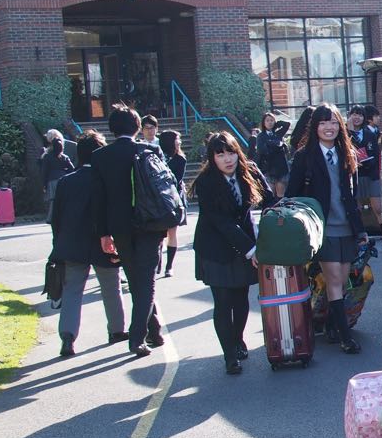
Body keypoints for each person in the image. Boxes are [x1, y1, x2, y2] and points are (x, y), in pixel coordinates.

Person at [286, 103, 368, 354]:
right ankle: (345, 337)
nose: (328, 127)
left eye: (333, 122)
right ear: (315, 127)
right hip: (323, 228)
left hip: (347, 227)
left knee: (342, 282)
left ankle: (332, 325)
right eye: (323, 122)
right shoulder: (304, 156)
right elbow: (292, 194)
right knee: (333, 280)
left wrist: (361, 230)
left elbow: (353, 195)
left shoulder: (348, 154)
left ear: (340, 125)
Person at [190, 132, 271, 375]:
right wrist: (251, 249)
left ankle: (238, 339)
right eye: (220, 154)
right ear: (212, 158)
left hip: (243, 244)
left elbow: (270, 200)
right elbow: (221, 222)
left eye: (231, 152)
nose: (227, 159)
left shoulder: (250, 171)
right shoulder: (206, 182)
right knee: (223, 302)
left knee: (241, 297)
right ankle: (229, 356)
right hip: (215, 248)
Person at [89, 104, 167, 358]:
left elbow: (98, 199)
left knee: (136, 280)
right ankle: (138, 337)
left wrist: (103, 233)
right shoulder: (149, 150)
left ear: (111, 128)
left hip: (120, 227)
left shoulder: (100, 157)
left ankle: (154, 332)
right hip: (150, 223)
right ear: (137, 127)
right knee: (146, 282)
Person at [49, 131, 127, 356]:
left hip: (73, 243)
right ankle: (117, 330)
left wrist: (58, 244)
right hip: (104, 242)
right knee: (111, 288)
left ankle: (68, 337)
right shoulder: (106, 180)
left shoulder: (66, 181)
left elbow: (57, 218)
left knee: (72, 291)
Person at [347, 105, 382, 251]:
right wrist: (349, 131)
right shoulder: (345, 133)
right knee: (356, 208)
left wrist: (370, 162)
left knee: (378, 207)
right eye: (354, 114)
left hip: (371, 174)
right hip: (355, 174)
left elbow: (375, 153)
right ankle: (360, 239)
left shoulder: (369, 134)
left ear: (364, 117)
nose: (357, 117)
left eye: (360, 115)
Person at [159, 129, 186, 277]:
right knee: (158, 235)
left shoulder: (180, 159)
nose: (179, 142)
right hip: (158, 200)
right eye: (177, 139)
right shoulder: (157, 156)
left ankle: (169, 266)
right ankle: (158, 263)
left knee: (172, 232)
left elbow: (176, 180)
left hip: (173, 199)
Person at [254, 111, 291, 199]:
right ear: (263, 123)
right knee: (270, 194)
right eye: (267, 120)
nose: (270, 122)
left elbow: (287, 124)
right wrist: (272, 144)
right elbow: (261, 150)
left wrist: (277, 124)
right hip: (269, 168)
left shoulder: (277, 134)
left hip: (280, 167)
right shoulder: (261, 136)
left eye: (271, 120)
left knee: (281, 194)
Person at [40, 130, 75, 215]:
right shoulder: (65, 157)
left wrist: (44, 184)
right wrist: (64, 171)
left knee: (53, 201)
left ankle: (51, 217)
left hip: (52, 180)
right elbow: (72, 169)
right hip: (64, 179)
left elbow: (44, 171)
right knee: (64, 199)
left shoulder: (47, 156)